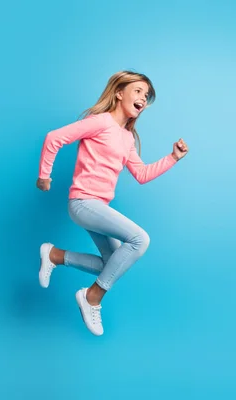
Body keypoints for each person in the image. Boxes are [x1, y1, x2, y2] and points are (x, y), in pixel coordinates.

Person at [36, 70, 189, 336]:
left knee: (113, 263)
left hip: (99, 208)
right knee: (140, 240)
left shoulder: (126, 138)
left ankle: (55, 255)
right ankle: (92, 297)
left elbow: (141, 174)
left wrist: (172, 158)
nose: (144, 98)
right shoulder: (100, 122)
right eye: (138, 91)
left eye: (147, 95)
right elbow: (54, 138)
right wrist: (44, 175)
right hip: (83, 202)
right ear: (119, 93)